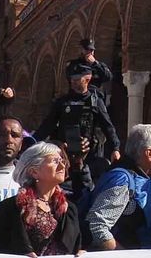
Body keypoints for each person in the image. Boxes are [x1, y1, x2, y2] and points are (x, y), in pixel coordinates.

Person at [39, 63, 121, 198]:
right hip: (64, 153)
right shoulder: (63, 102)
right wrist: (33, 142)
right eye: (72, 80)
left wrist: (115, 148)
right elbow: (47, 125)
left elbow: (108, 126)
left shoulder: (95, 102)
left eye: (78, 80)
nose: (74, 83)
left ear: (87, 79)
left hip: (88, 154)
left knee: (85, 190)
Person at [85, 124, 151, 250]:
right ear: (149, 153)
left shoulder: (144, 177)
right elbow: (98, 225)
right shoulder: (121, 179)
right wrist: (124, 257)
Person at [0, 142, 82, 257]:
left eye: (62, 161)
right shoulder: (12, 208)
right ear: (34, 172)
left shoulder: (69, 209)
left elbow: (77, 245)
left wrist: (80, 253)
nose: (62, 166)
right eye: (55, 161)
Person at [0, 115, 26, 212]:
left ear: (21, 144)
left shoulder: (28, 179)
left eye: (15, 135)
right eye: (2, 135)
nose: (9, 140)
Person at [66, 38, 113, 105]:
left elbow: (108, 77)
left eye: (91, 50)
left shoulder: (99, 65)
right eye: (86, 50)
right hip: (78, 97)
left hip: (94, 98)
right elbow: (70, 77)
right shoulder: (73, 64)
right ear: (80, 50)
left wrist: (95, 64)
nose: (89, 52)